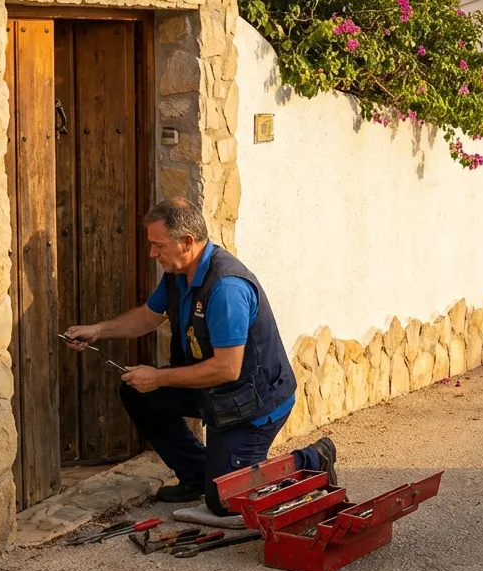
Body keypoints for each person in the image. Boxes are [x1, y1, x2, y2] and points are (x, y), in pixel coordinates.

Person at [63, 198, 335, 516]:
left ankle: (312, 459)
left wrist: (158, 377)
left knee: (226, 502)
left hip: (253, 404)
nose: (152, 253)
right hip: (216, 391)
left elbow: (227, 368)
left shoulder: (226, 288)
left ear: (187, 242)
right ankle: (196, 476)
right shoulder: (178, 273)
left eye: (157, 245)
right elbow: (147, 318)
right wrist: (97, 330)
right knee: (138, 393)